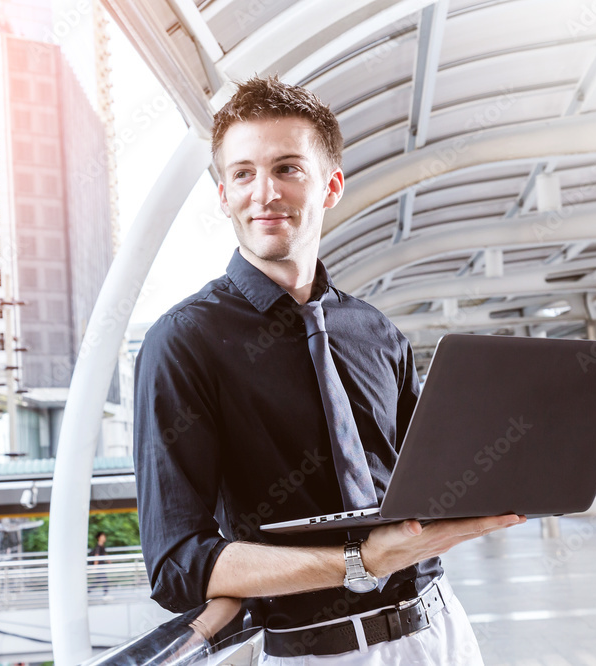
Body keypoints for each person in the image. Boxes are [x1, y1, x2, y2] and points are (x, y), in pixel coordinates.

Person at [133, 76, 525, 664]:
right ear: (223, 195)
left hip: (439, 633)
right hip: (317, 654)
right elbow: (177, 565)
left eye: (287, 168)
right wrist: (360, 564)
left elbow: (431, 481)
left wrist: (530, 461)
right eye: (242, 173)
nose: (263, 192)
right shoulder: (183, 342)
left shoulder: (375, 331)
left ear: (331, 186)